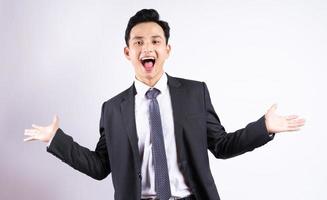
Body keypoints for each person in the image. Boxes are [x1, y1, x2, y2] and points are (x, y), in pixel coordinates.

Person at [24, 9, 305, 200]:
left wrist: (264, 127)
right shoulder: (112, 109)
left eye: (155, 41)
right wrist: (55, 140)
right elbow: (100, 167)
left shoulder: (195, 93)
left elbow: (221, 146)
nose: (147, 48)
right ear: (127, 52)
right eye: (138, 42)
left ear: (167, 50)